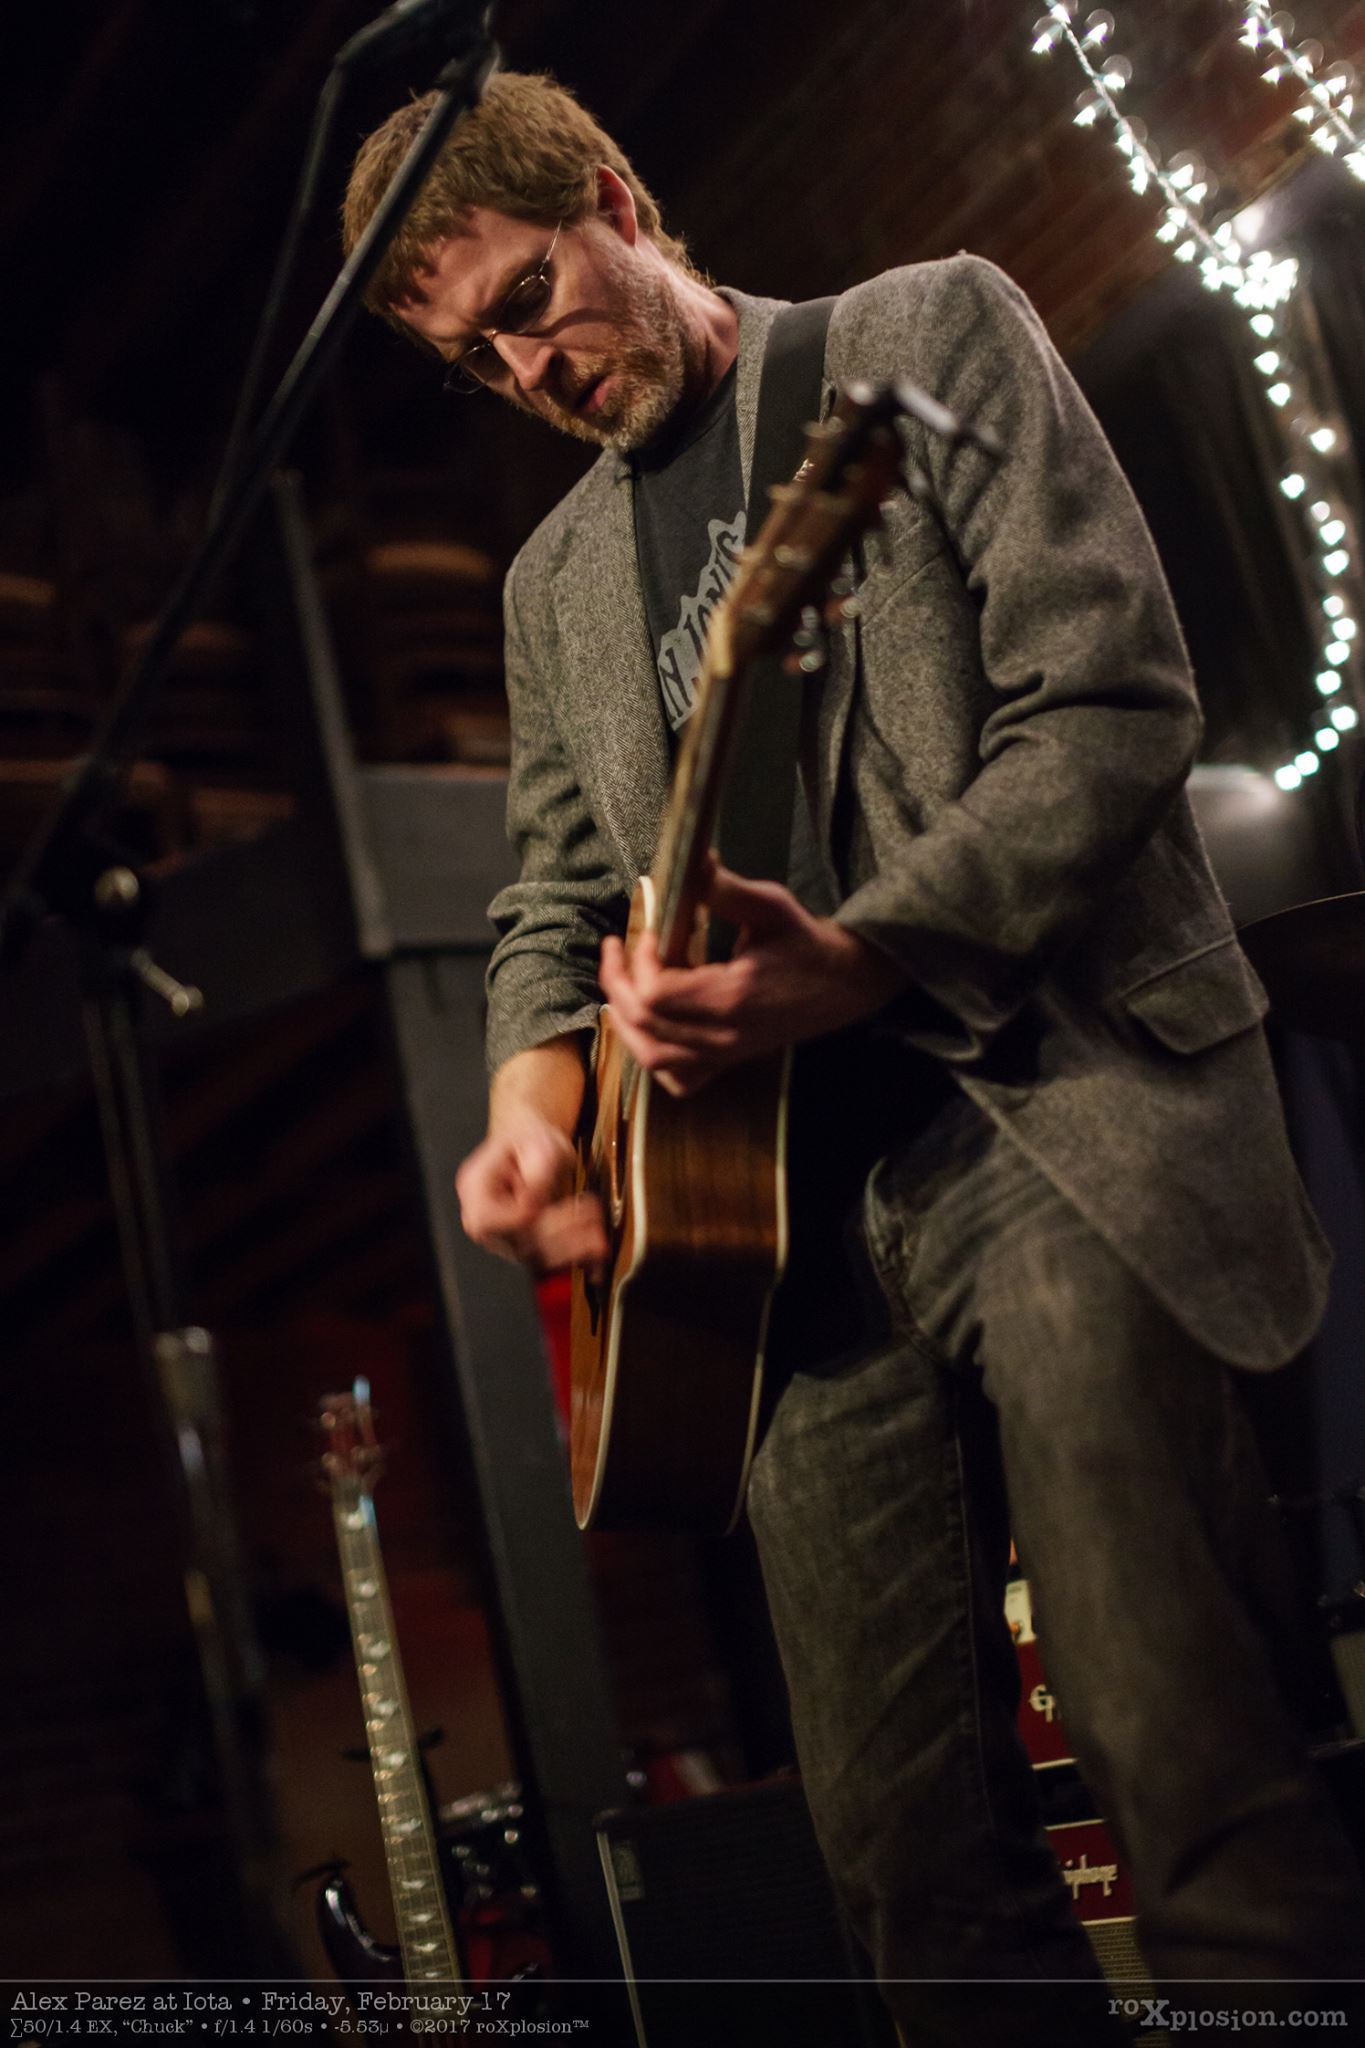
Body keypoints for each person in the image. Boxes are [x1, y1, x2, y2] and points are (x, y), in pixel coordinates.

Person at [342, 71, 1364, 2038]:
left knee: (1180, 1753)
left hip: (1044, 1117)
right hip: (774, 1243)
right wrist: (531, 1108)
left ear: (616, 193)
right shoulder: (553, 583)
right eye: (476, 358)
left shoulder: (918, 339)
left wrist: (867, 958)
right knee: (903, 1860)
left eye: (529, 297)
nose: (526, 369)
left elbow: (1106, 702)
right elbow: (550, 899)